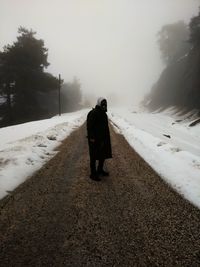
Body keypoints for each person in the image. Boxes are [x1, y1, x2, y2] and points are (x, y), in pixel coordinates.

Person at [87, 97, 112, 181]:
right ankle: (93, 174)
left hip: (103, 139)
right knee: (93, 156)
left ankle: (100, 170)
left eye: (105, 104)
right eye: (103, 104)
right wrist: (91, 137)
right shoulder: (93, 113)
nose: (104, 105)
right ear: (99, 104)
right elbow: (89, 126)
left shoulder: (104, 114)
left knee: (102, 154)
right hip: (94, 139)